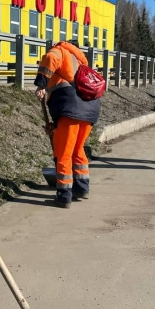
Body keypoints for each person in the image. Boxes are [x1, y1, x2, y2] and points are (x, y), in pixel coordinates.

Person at [34, 40, 100, 208]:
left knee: (63, 153)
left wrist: (41, 84)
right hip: (90, 110)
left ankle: (64, 196)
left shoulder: (61, 51)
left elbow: (50, 58)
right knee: (77, 149)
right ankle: (82, 188)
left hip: (72, 109)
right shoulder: (81, 61)